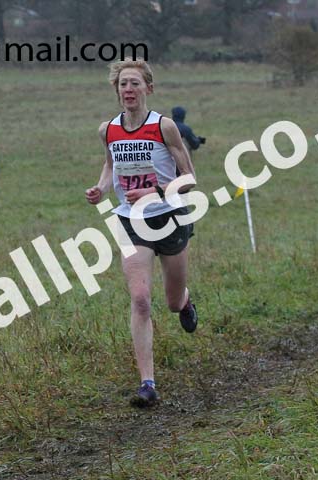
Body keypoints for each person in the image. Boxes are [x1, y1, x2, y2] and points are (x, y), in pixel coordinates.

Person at [85, 60, 198, 408]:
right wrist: (102, 188)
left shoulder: (164, 127)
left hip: (170, 218)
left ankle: (184, 303)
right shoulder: (108, 129)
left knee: (171, 300)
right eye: (123, 85)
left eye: (135, 83)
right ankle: (147, 383)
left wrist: (156, 192)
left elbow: (190, 179)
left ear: (149, 89)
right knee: (139, 299)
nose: (128, 90)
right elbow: (109, 164)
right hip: (132, 221)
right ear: (117, 92)